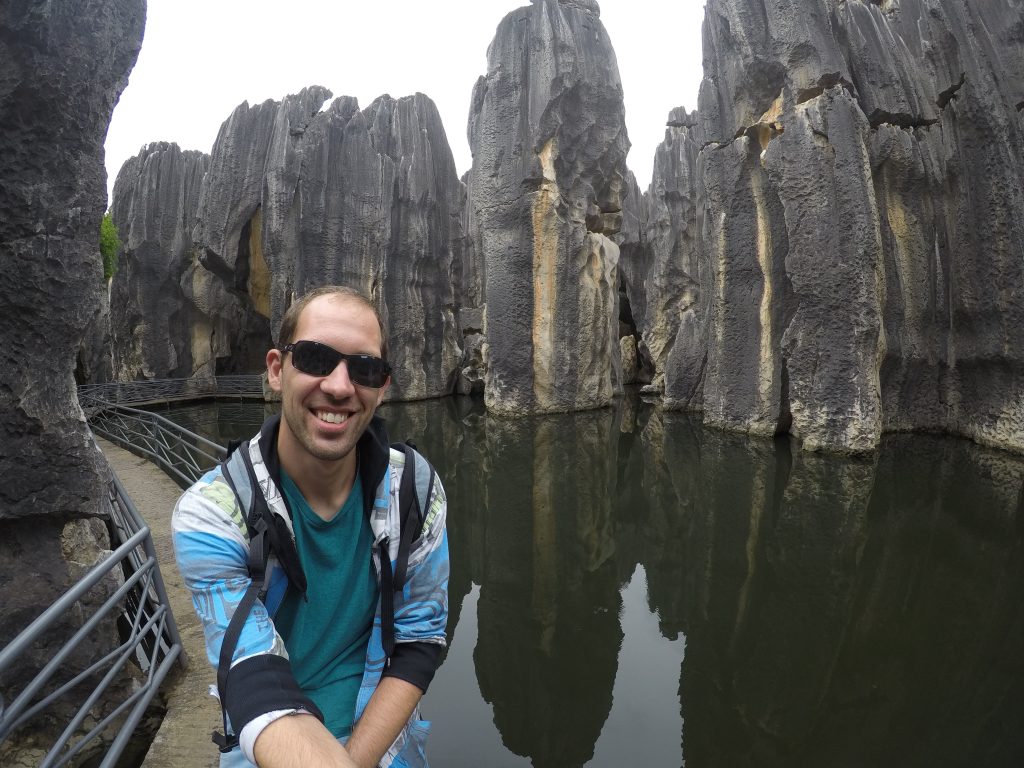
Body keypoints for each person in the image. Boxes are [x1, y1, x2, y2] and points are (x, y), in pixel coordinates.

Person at [172, 285, 449, 768]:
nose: (340, 387)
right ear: (277, 369)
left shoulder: (416, 491)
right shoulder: (213, 514)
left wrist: (357, 757)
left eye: (364, 368)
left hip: (391, 747)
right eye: (316, 358)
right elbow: (253, 671)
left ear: (382, 387)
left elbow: (419, 638)